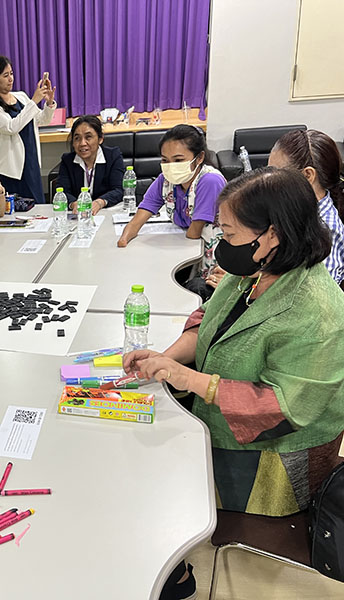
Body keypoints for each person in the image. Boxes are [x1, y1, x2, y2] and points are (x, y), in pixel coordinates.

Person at [125, 168, 344, 599]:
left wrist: (192, 380)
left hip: (273, 452)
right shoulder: (257, 270)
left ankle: (173, 573)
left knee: (154, 480)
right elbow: (209, 319)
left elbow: (286, 408)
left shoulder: (318, 311)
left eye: (228, 232)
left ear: (271, 236)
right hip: (215, 413)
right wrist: (164, 359)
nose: (220, 242)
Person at [118, 124, 226, 301]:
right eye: (165, 160)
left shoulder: (210, 180)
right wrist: (124, 240)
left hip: (213, 259)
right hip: (188, 250)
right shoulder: (165, 180)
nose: (170, 167)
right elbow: (142, 213)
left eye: (178, 160)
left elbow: (195, 231)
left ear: (199, 158)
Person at [268, 129, 344, 283]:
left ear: (308, 175)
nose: (268, 180)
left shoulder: (326, 229)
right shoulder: (293, 211)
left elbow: (319, 297)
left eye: (276, 173)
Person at [0, 55, 56, 205]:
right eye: (5, 75)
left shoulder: (20, 96)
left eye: (12, 74)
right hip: (10, 169)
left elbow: (42, 120)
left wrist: (48, 103)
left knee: (38, 209)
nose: (11, 79)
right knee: (15, 214)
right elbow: (12, 127)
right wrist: (34, 101)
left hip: (30, 163)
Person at [56, 115, 125, 215]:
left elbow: (119, 189)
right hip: (79, 216)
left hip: (105, 213)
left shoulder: (113, 156)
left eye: (88, 137)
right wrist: (73, 204)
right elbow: (62, 191)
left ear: (100, 139)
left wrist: (99, 202)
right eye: (77, 138)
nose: (82, 143)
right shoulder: (68, 161)